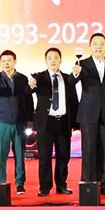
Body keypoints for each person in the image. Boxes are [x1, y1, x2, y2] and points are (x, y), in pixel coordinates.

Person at [73, 33, 105, 195]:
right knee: (88, 151)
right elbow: (71, 82)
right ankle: (88, 185)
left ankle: (102, 184)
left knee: (104, 151)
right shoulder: (81, 64)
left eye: (101, 44)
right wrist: (74, 74)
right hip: (88, 113)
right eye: (95, 44)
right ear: (90, 46)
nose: (98, 47)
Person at [0, 49, 34, 194]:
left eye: (9, 60)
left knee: (20, 154)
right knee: (2, 154)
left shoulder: (22, 78)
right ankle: (0, 181)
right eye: (3, 61)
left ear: (15, 61)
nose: (6, 63)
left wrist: (30, 119)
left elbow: (28, 99)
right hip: (2, 122)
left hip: (20, 122)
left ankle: (20, 183)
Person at [29, 48, 79, 196]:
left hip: (63, 122)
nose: (53, 60)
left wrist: (75, 123)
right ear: (45, 61)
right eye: (49, 58)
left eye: (55, 57)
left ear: (61, 60)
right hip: (46, 123)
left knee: (63, 156)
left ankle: (61, 185)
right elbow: (28, 91)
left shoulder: (68, 78)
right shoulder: (39, 78)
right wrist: (31, 85)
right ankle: (44, 187)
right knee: (44, 157)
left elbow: (74, 101)